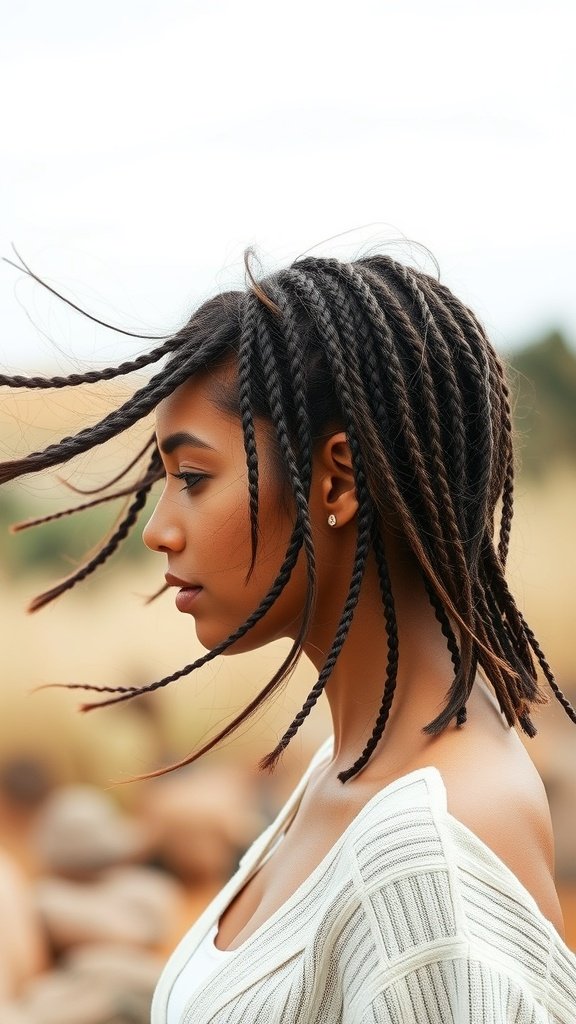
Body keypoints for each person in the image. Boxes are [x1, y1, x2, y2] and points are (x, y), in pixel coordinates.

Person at [1, 248, 576, 1023]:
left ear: (335, 479)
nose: (160, 531)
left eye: (193, 478)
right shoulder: (346, 773)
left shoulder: (425, 862)